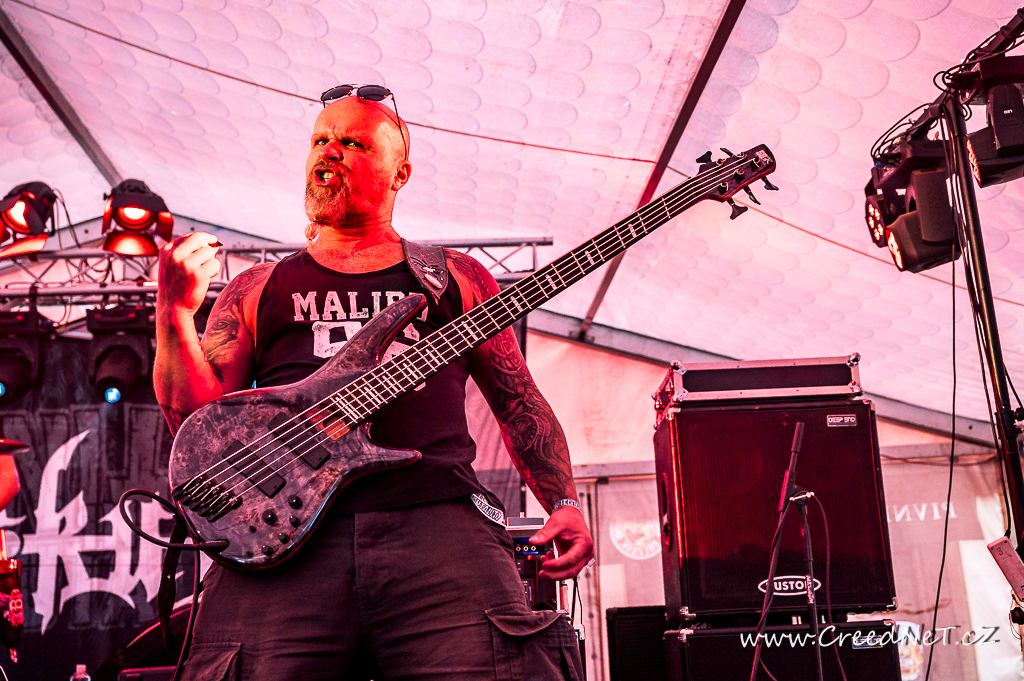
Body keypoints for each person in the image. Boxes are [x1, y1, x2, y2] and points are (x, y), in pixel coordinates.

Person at [154, 85, 593, 680]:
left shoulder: (455, 276)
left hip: (437, 526)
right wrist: (173, 313)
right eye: (320, 140)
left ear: (399, 173)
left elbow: (518, 402)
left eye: (354, 143)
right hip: (281, 536)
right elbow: (193, 424)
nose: (329, 151)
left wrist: (563, 501)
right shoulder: (257, 287)